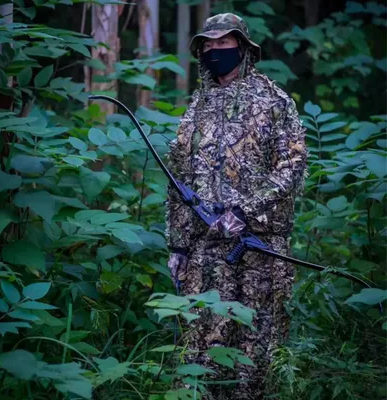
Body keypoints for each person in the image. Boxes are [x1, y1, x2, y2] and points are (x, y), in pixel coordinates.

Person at [165, 13, 307, 400]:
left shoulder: (273, 101)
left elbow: (292, 165)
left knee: (255, 351)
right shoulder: (197, 107)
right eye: (207, 45)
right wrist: (178, 246)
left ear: (243, 49)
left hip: (261, 248)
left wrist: (244, 211)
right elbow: (179, 178)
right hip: (206, 250)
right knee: (200, 346)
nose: (214, 51)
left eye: (222, 44)